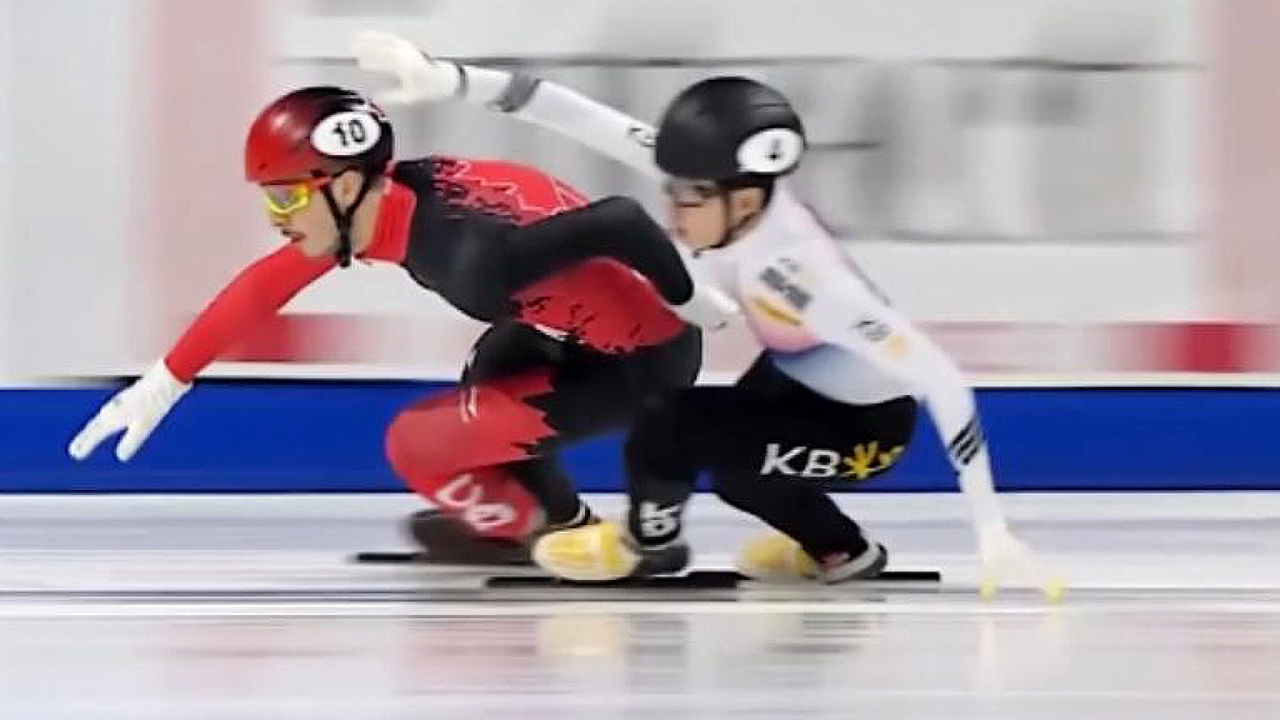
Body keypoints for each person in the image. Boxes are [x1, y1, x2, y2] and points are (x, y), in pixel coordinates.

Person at [354, 31, 1059, 596]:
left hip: (868, 429)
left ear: (744, 202)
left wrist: (991, 530)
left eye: (688, 201)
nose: (673, 213)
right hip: (795, 382)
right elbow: (567, 110)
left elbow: (942, 380)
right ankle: (843, 552)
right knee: (734, 461)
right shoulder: (718, 194)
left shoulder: (805, 276)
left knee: (673, 430)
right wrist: (443, 77)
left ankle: (642, 548)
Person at [67, 84, 736, 566]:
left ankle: (550, 532)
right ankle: (564, 526)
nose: (275, 216)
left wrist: (688, 296)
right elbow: (264, 285)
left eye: (286, 195)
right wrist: (164, 380)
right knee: (488, 371)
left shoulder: (472, 258)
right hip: (571, 331)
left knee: (417, 445)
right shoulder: (402, 197)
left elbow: (620, 220)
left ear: (347, 184)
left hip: (641, 360)